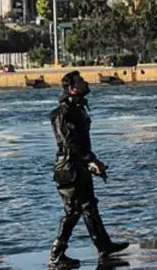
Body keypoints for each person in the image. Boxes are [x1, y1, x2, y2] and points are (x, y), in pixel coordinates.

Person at [48, 71, 129, 268]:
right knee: (73, 211)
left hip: (78, 165)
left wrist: (89, 162)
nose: (86, 83)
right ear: (72, 88)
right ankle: (56, 255)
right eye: (81, 81)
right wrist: (91, 160)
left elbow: (80, 144)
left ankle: (104, 246)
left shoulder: (78, 108)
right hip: (68, 168)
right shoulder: (64, 112)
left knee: (89, 207)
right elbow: (70, 144)